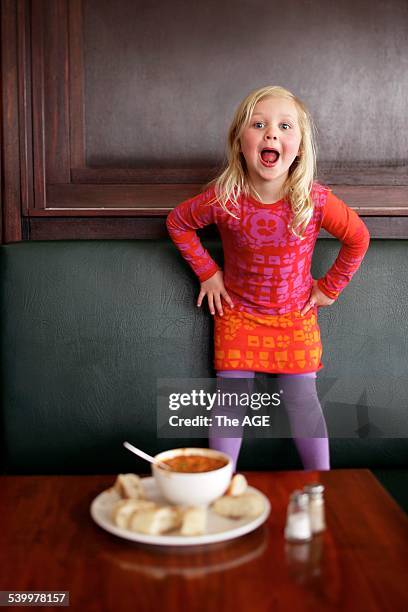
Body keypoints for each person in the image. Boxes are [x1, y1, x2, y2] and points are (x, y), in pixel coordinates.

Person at [166, 85, 370, 472]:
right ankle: (219, 483)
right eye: (258, 124)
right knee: (231, 398)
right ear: (240, 142)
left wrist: (330, 287)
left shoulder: (314, 200)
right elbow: (177, 223)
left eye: (284, 126)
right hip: (238, 313)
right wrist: (208, 272)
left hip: (295, 317)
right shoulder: (223, 198)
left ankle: (321, 485)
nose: (271, 133)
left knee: (302, 398)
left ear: (300, 147)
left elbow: (358, 238)